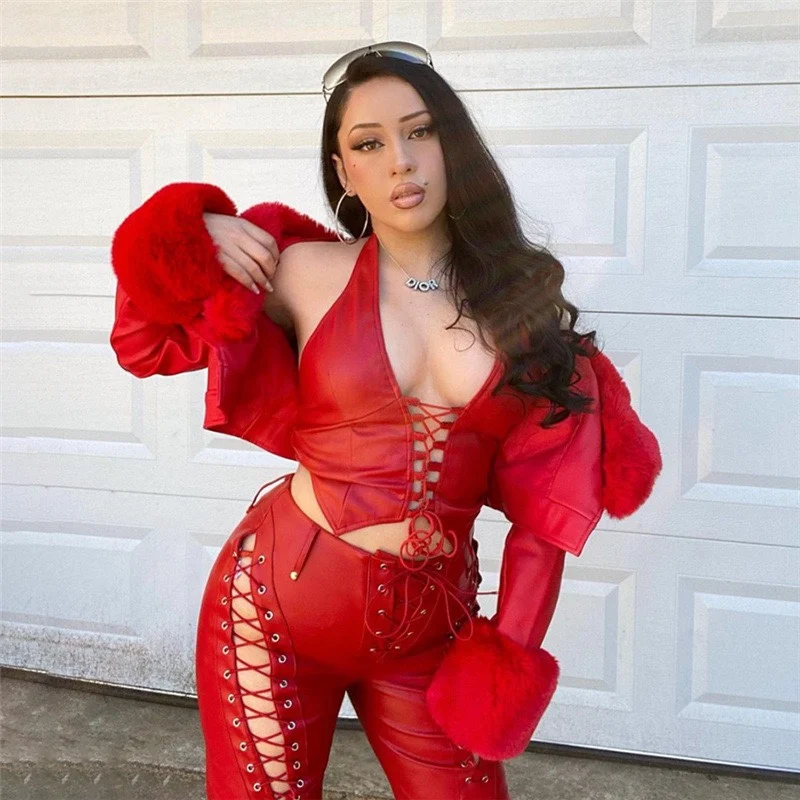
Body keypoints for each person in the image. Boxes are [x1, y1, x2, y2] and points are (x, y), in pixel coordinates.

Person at [109, 42, 662, 800]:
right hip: (270, 615)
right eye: (369, 144)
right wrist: (194, 234)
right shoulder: (301, 272)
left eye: (420, 131)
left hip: (430, 634)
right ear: (345, 172)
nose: (400, 160)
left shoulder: (519, 311)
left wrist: (506, 658)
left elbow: (545, 519)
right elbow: (143, 345)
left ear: (451, 145)